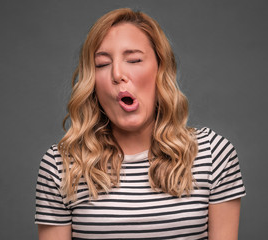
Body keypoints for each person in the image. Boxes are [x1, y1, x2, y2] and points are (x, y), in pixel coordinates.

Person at [35, 8, 246, 240]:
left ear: (161, 69)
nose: (117, 73)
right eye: (102, 64)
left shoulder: (213, 154)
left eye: (134, 60)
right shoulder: (61, 165)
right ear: (92, 83)